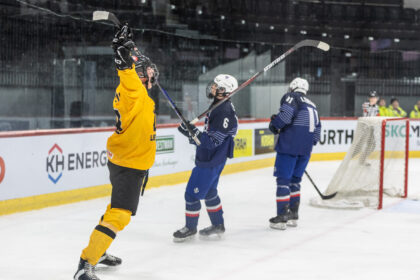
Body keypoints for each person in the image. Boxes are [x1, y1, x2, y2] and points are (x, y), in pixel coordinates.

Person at [74, 24, 158, 280]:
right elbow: (127, 73)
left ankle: (98, 252)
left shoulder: (137, 94)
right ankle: (85, 264)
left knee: (115, 208)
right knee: (119, 214)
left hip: (127, 161)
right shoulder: (134, 91)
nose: (153, 72)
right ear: (141, 75)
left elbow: (130, 73)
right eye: (148, 70)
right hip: (129, 164)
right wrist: (123, 55)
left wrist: (129, 48)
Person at [173, 74, 238, 242]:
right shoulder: (218, 106)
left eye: (216, 86)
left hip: (210, 160)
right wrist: (190, 132)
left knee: (191, 195)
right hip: (213, 158)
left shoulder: (224, 110)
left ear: (224, 91)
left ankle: (190, 228)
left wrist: (192, 131)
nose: (212, 88)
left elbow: (212, 142)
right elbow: (208, 138)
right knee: (209, 192)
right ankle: (218, 225)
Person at [268, 77, 321, 230]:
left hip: (289, 146)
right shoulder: (313, 105)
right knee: (295, 181)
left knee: (283, 181)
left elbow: (285, 116)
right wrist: (306, 145)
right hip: (305, 150)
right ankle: (293, 215)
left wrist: (274, 124)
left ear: (293, 87)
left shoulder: (291, 97)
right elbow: (317, 130)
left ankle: (282, 217)